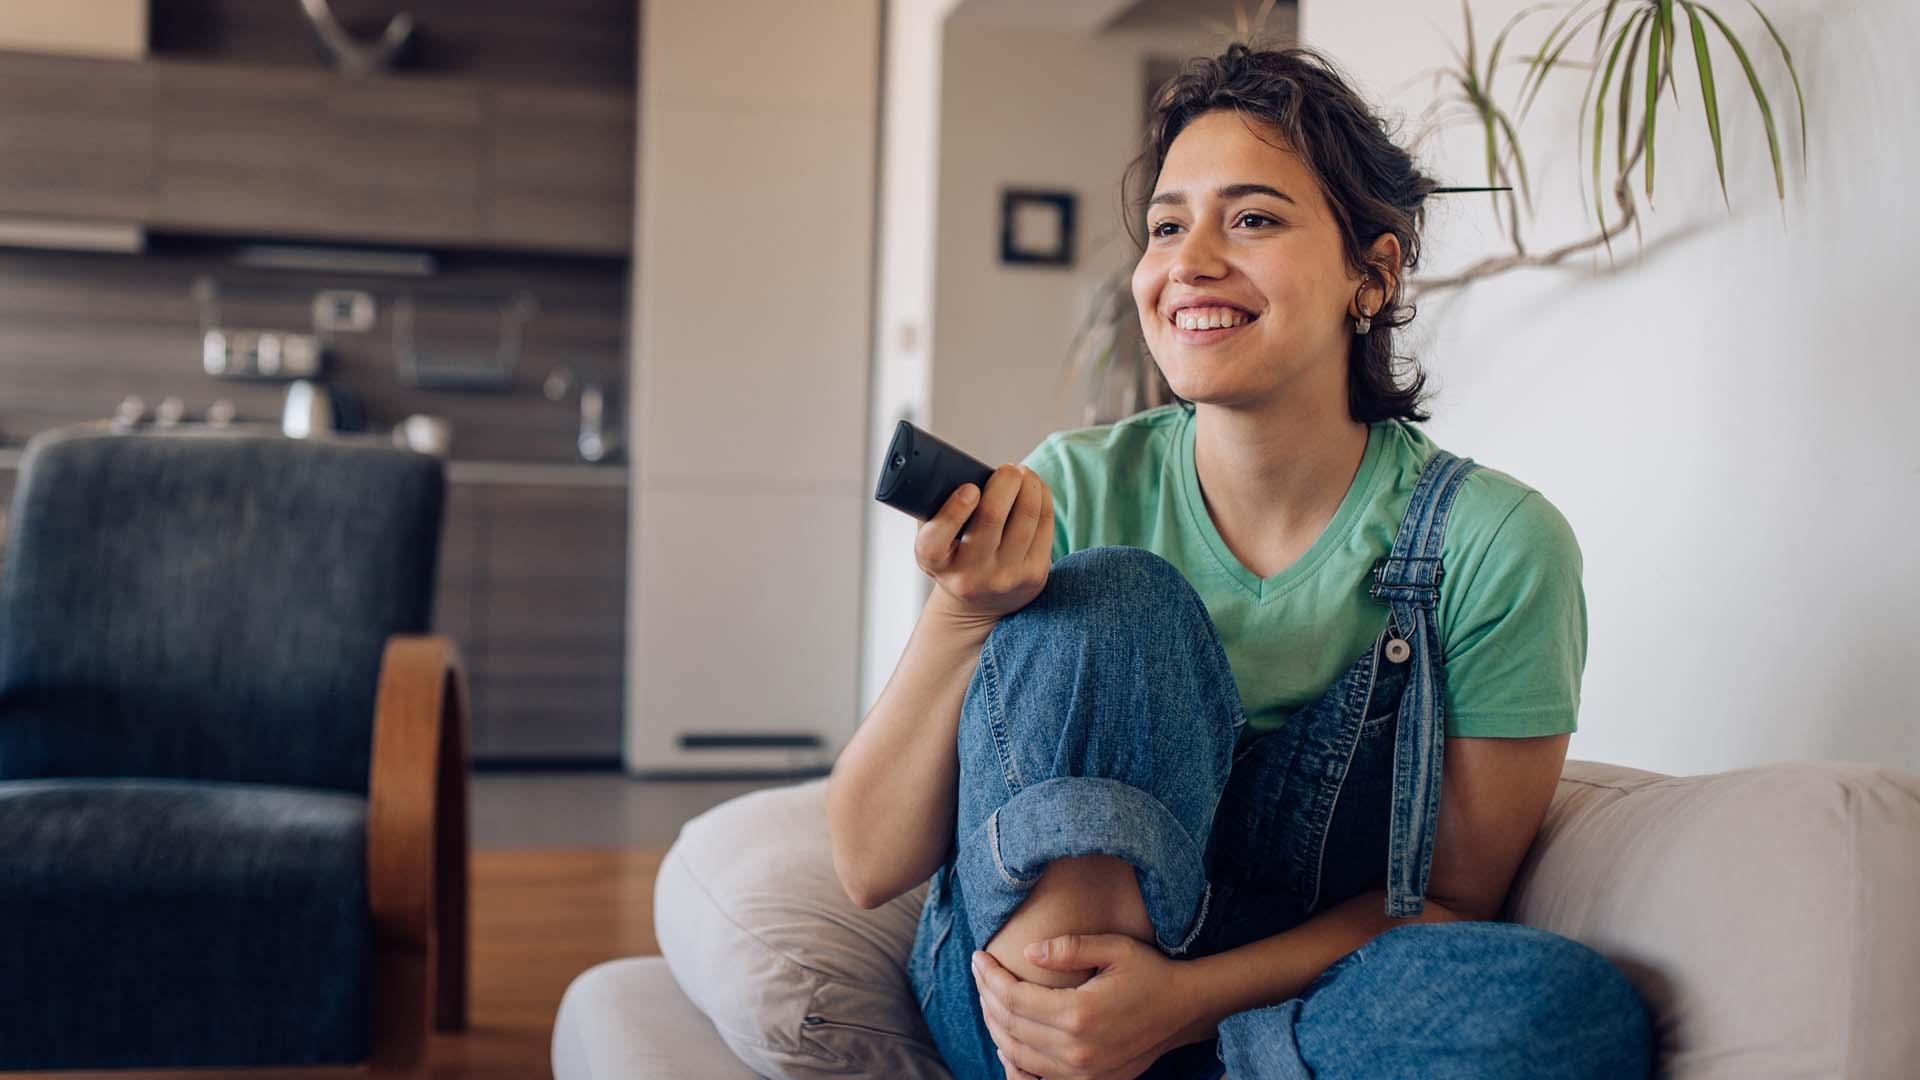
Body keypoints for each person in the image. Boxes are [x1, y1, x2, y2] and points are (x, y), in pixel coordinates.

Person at [827, 42, 1652, 1080]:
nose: (1190, 261)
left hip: (1273, 1004)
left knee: (1570, 1015)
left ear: (1372, 273)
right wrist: (961, 615)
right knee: (1118, 596)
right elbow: (867, 864)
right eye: (1168, 225)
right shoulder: (1074, 486)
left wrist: (1180, 1006)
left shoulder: (1496, 543)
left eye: (1253, 219)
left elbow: (1447, 900)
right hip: (1024, 1016)